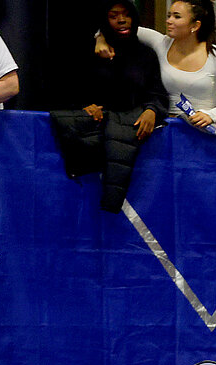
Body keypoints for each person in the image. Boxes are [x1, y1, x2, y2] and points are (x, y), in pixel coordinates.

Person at [50, 0, 165, 213]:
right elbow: (66, 91)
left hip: (136, 145)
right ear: (105, 20)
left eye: (126, 14)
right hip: (92, 139)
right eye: (113, 15)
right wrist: (84, 106)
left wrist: (152, 110)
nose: (121, 20)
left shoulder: (146, 54)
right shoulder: (89, 53)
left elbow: (157, 94)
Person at [115, 0, 216, 135]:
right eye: (169, 15)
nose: (169, 20)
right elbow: (116, 29)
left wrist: (212, 114)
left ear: (195, 25)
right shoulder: (160, 42)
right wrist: (101, 39)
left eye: (177, 16)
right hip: (164, 129)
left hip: (201, 131)